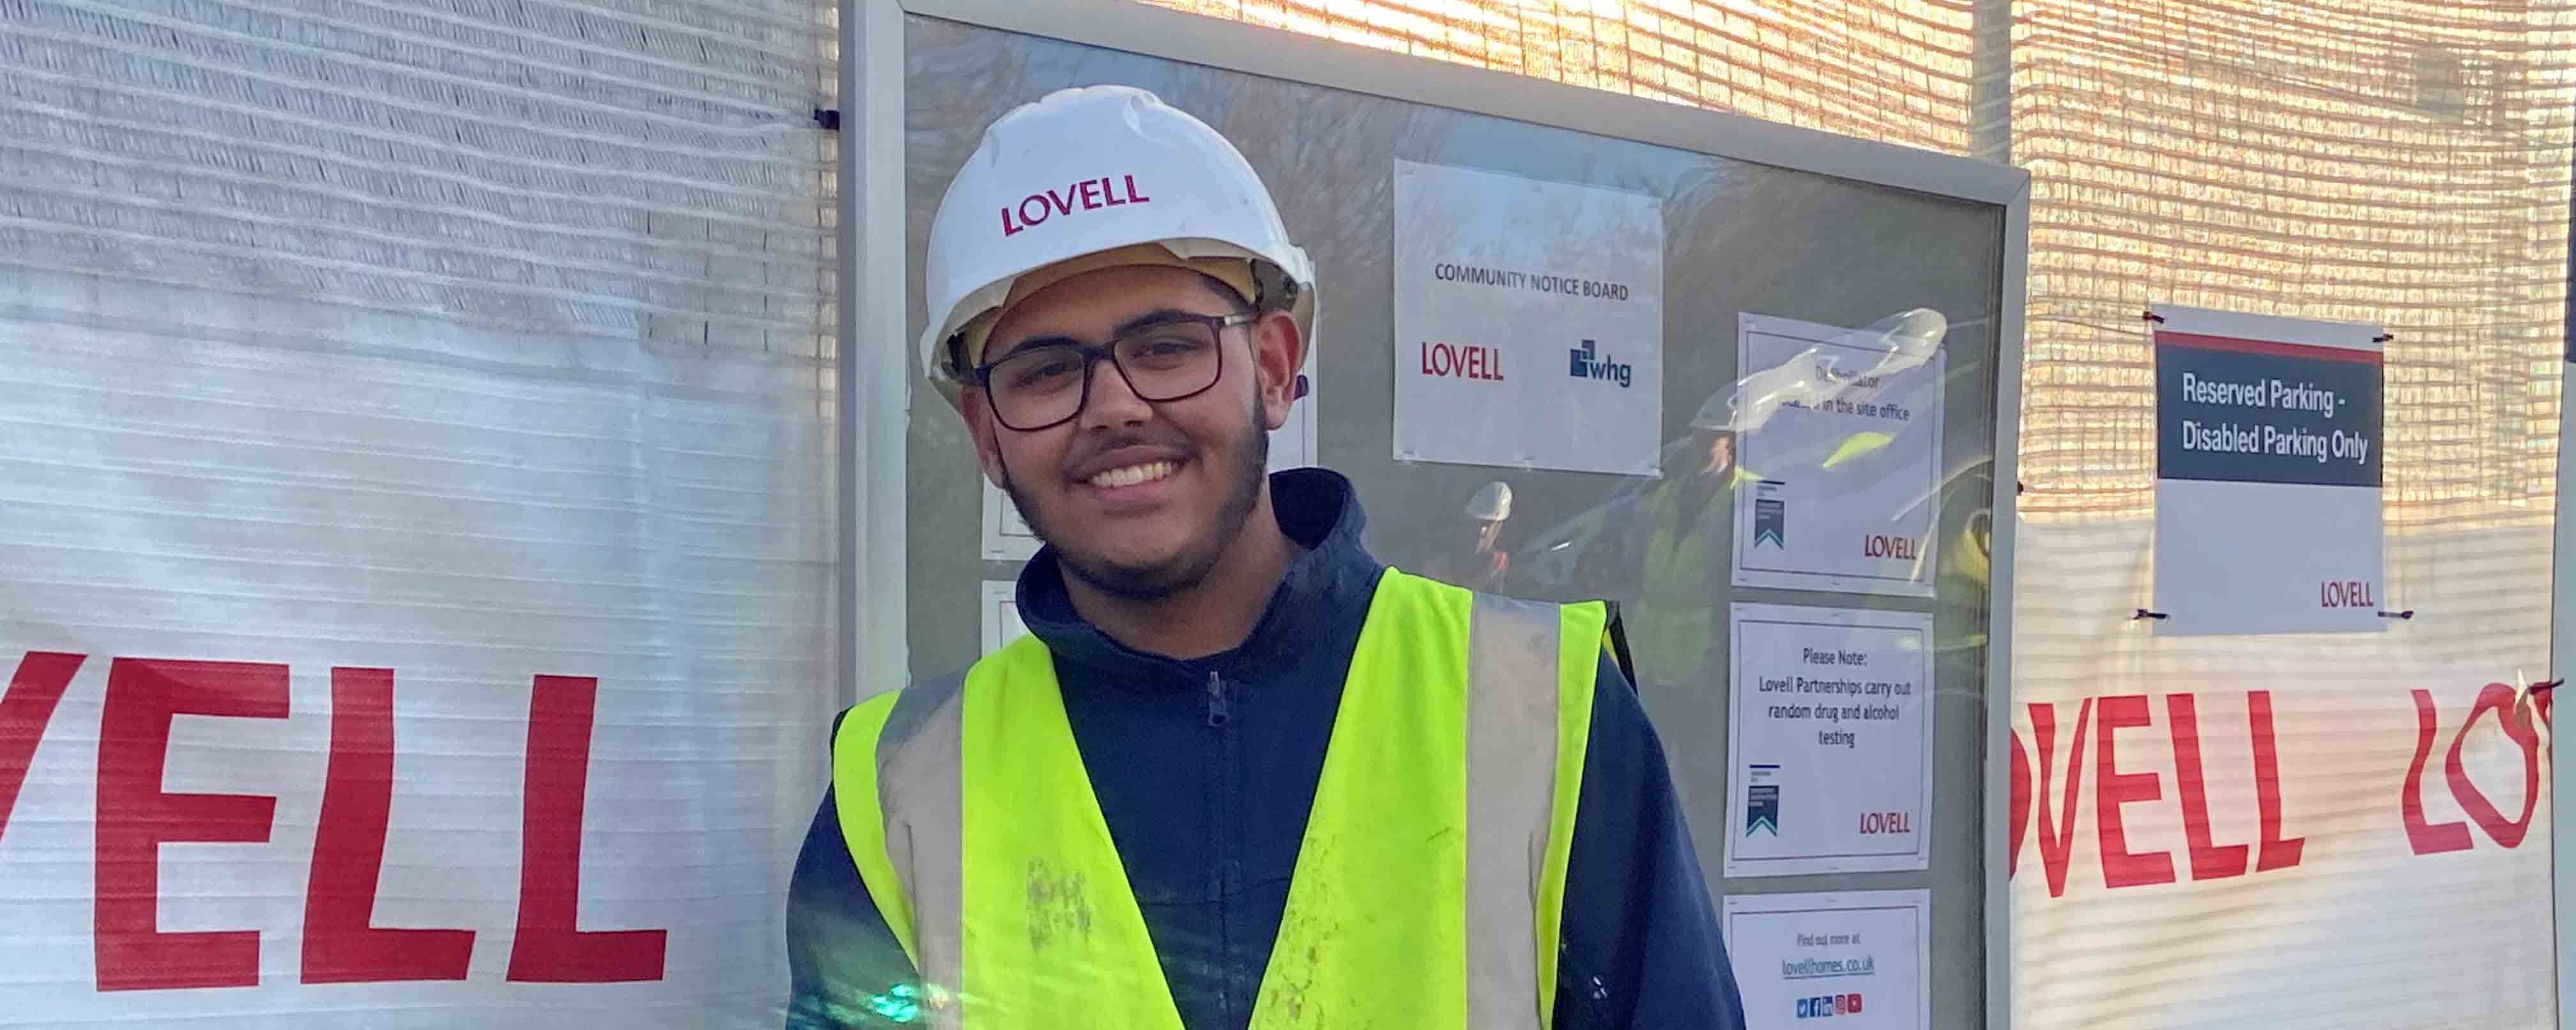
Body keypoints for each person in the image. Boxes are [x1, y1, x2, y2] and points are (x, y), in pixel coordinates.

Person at [785, 85, 1744, 1030]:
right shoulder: (900, 792)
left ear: (1277, 368)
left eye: (1166, 347)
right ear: (987, 434)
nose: (1114, 407)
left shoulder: (1542, 710)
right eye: (1043, 371)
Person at [1425, 480, 1514, 592]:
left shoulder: (1507, 570)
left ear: (1499, 528)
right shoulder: (1436, 570)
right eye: (1475, 524)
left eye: (1488, 525)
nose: (1481, 532)